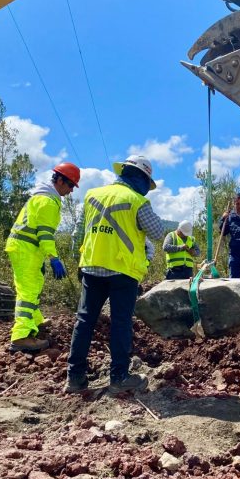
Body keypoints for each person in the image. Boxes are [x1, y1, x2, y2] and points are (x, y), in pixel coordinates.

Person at [66, 155, 165, 394]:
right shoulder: (136, 201)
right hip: (122, 271)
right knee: (121, 323)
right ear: (141, 178)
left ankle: (75, 377)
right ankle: (119, 376)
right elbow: (159, 232)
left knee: (84, 321)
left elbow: (78, 234)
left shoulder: (91, 196)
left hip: (91, 267)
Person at [5, 162, 80, 352]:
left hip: (26, 248)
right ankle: (21, 336)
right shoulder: (47, 202)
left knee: (34, 284)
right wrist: (53, 258)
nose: (71, 191)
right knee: (28, 291)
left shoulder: (41, 196)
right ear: (60, 180)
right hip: (26, 248)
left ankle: (35, 320)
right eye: (70, 185)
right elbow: (45, 234)